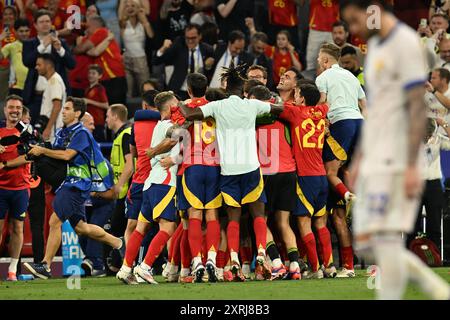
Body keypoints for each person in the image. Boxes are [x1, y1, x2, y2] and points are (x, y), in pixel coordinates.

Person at [342, 0, 450, 300]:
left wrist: (414, 163)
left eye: (354, 20)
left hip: (400, 151)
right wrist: (361, 155)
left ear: (372, 12)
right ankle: (436, 289)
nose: (353, 29)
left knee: (383, 238)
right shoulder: (374, 48)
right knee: (368, 242)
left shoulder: (405, 43)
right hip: (376, 150)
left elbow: (416, 106)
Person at [180, 64, 284, 281]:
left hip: (228, 170)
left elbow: (190, 114)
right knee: (258, 216)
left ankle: (235, 260)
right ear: (244, 87)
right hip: (251, 168)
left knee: (234, 218)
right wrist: (275, 101)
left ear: (227, 88)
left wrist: (180, 104)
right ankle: (262, 255)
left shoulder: (217, 106)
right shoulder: (252, 104)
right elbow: (278, 109)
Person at [23, 97, 125, 280]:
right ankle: (118, 243)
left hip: (77, 184)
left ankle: (45, 265)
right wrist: (39, 148)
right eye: (64, 108)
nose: (63, 111)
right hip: (68, 183)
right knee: (81, 228)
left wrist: (43, 151)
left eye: (67, 109)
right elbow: (55, 154)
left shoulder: (81, 133)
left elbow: (68, 155)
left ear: (77, 113)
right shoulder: (63, 132)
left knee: (55, 222)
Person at [116, 91, 181, 285]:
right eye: (176, 104)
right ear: (170, 108)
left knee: (141, 228)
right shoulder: (170, 126)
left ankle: (126, 268)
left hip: (150, 183)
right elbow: (177, 143)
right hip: (164, 182)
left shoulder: (158, 126)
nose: (179, 107)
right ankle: (144, 267)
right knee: (167, 227)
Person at [175, 73, 222, 283]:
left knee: (194, 215)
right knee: (212, 215)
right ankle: (211, 259)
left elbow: (174, 136)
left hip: (192, 166)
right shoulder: (215, 108)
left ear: (189, 89)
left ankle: (197, 262)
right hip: (214, 166)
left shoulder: (183, 108)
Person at [250, 84, 299, 280]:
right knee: (284, 223)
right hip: (288, 172)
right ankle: (294, 265)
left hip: (266, 173)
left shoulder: (252, 119)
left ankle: (276, 263)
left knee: (261, 219)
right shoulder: (283, 116)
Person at [316, 43, 365, 211]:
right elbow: (364, 105)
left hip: (342, 123)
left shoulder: (323, 77)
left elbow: (322, 102)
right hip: (360, 122)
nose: (317, 62)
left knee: (330, 172)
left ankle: (349, 198)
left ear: (324, 60)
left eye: (318, 59)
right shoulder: (351, 76)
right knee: (348, 168)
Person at [22, 9, 76, 124]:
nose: (45, 24)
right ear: (35, 25)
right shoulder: (29, 43)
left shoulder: (61, 42)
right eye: (42, 22)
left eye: (48, 21)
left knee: (56, 130)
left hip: (57, 97)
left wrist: (60, 49)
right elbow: (27, 61)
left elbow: (72, 64)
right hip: (35, 97)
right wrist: (43, 45)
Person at [79, 112, 116, 277]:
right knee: (81, 229)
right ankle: (96, 263)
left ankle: (94, 262)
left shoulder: (101, 162)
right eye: (90, 123)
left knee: (93, 226)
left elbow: (111, 194)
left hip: (102, 203)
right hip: (84, 203)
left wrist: (94, 192)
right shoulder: (73, 155)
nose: (94, 127)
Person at [0, 95, 31, 281]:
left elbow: (29, 156)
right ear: (5, 110)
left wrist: (5, 164)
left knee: (18, 229)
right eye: (11, 107)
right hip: (0, 188)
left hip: (20, 188)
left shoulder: (27, 132)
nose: (15, 110)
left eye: (18, 108)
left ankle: (12, 270)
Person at [73, 15, 127, 105]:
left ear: (94, 24)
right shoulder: (93, 36)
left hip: (113, 76)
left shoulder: (101, 32)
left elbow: (82, 49)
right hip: (106, 77)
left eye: (88, 25)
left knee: (116, 107)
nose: (86, 28)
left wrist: (81, 47)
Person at [154, 23, 214, 99]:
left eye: (193, 38)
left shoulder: (207, 49)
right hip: (179, 91)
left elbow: (209, 72)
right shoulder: (178, 46)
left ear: (200, 36)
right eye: (187, 38)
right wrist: (163, 48)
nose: (190, 41)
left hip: (199, 93)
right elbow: (157, 61)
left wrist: (208, 66)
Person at [105, 104, 133, 248]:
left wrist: (119, 184)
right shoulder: (121, 136)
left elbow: (130, 163)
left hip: (126, 191)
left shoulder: (126, 134)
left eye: (108, 116)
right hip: (122, 191)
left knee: (117, 230)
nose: (106, 120)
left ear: (115, 116)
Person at [119, 0, 154, 98]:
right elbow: (122, 42)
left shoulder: (143, 23)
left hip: (141, 60)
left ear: (138, 8)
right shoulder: (123, 23)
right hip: (127, 60)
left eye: (133, 6)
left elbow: (151, 35)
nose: (130, 8)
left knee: (145, 90)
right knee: (128, 92)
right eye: (127, 6)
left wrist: (144, 20)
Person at [35, 53, 66, 142]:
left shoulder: (54, 81)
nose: (36, 67)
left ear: (48, 66)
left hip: (53, 130)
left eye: (39, 65)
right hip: (50, 127)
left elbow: (57, 106)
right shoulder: (51, 80)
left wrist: (48, 128)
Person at [304, 0, 339, 73]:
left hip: (333, 27)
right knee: (311, 59)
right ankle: (310, 82)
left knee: (335, 57)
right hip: (316, 27)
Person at [0, 18, 30, 97]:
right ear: (15, 32)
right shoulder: (11, 46)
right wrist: (0, 38)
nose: (24, 34)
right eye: (21, 31)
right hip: (16, 87)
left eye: (26, 31)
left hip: (32, 87)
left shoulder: (35, 45)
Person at [84, 64, 109, 142]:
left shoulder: (100, 89)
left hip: (98, 122)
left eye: (93, 73)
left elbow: (106, 105)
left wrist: (89, 101)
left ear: (100, 76)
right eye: (89, 73)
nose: (90, 75)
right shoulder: (87, 88)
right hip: (89, 122)